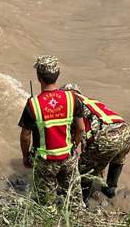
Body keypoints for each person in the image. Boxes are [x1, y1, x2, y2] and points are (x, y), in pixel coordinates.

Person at [19, 55, 84, 205]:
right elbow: (80, 128)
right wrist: (74, 145)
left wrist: (25, 157)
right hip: (68, 157)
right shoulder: (72, 98)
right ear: (58, 74)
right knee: (74, 200)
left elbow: (25, 136)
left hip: (45, 161)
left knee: (47, 203)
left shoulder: (33, 104)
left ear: (38, 77)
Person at [62, 83, 130, 205]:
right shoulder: (92, 101)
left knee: (84, 169)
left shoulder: (72, 104)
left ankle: (83, 201)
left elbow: (79, 133)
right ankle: (110, 190)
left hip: (107, 137)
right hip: (127, 132)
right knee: (118, 159)